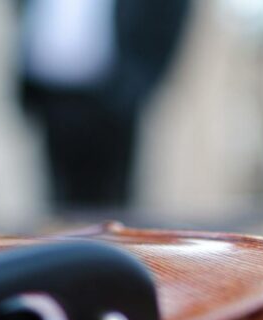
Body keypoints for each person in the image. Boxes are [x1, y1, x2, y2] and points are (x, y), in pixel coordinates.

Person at [20, 0, 191, 209]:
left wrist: (138, 83)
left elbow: (169, 14)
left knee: (111, 204)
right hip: (50, 92)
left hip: (112, 95)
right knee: (57, 199)